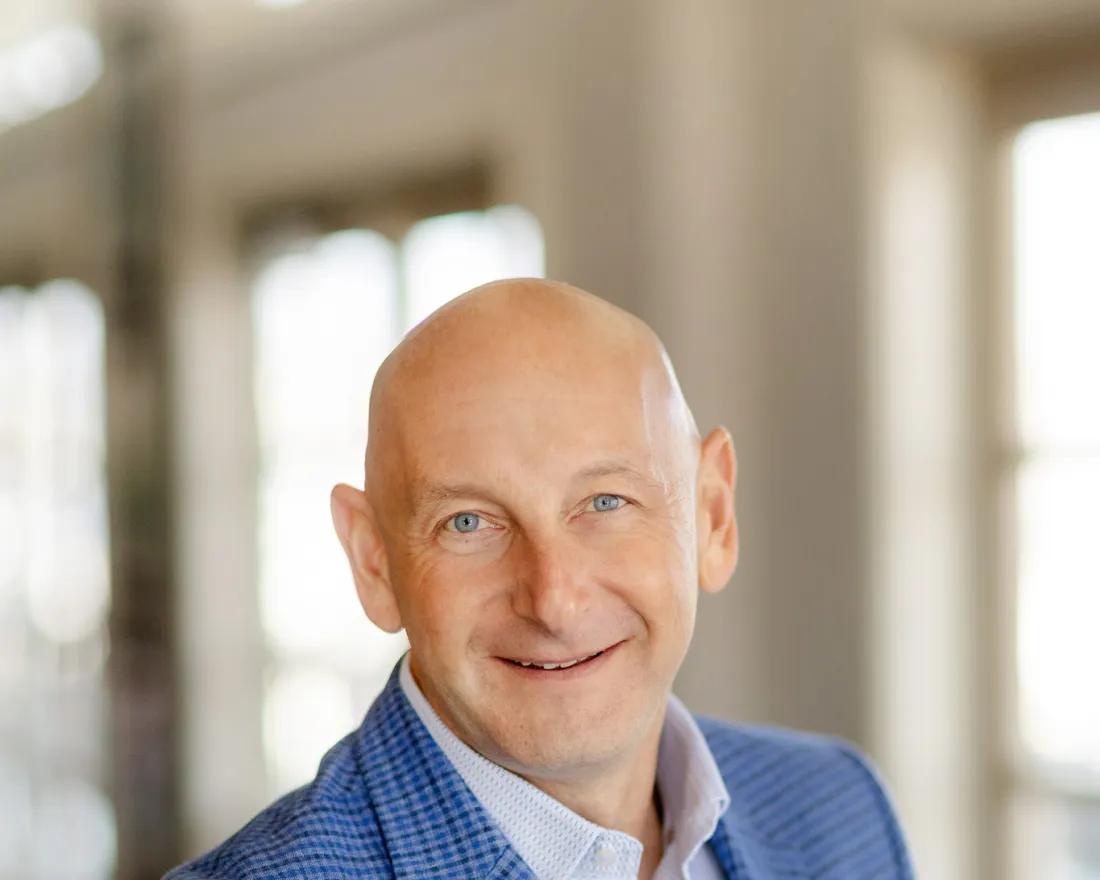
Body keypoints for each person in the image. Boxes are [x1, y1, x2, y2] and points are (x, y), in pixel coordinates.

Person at [167, 279, 913, 879]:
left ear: (713, 517)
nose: (553, 599)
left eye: (606, 502)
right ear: (374, 563)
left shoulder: (841, 812)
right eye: (468, 522)